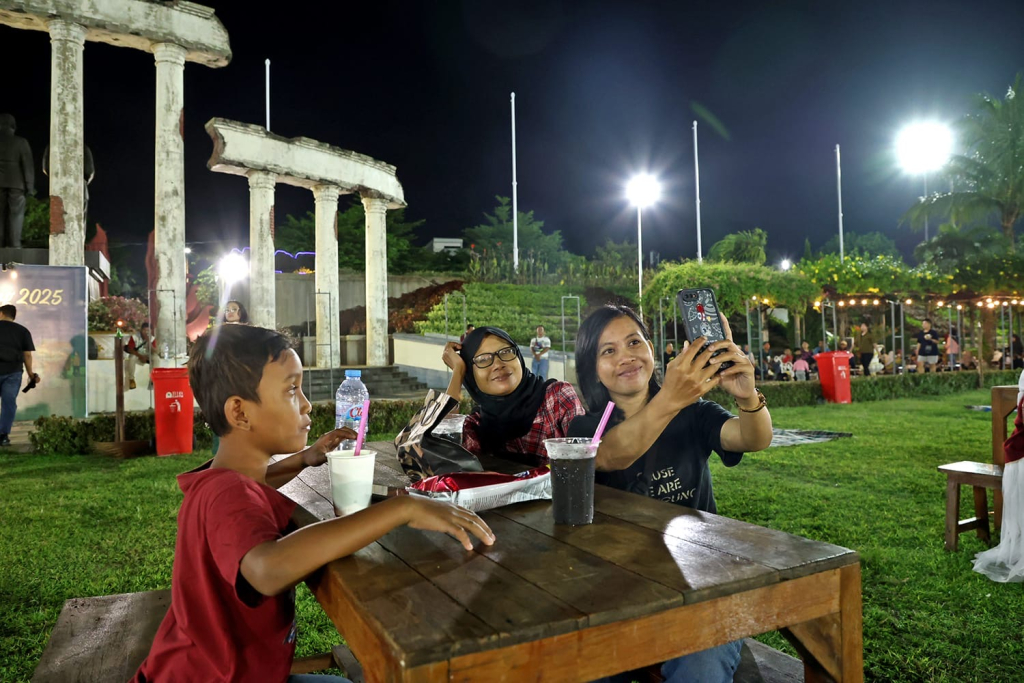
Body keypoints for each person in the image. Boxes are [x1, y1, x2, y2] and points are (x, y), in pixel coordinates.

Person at [132, 324, 494, 683]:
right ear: (240, 413)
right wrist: (400, 509)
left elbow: (255, 485)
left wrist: (304, 459)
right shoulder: (226, 494)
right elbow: (267, 569)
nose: (306, 404)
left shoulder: (224, 479)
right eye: (292, 390)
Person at [567, 305, 772, 683]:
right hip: (617, 586)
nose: (626, 356)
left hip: (699, 581)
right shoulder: (586, 428)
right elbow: (609, 455)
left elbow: (751, 438)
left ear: (651, 348)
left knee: (701, 666)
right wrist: (672, 398)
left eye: (634, 342)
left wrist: (747, 397)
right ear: (592, 368)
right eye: (608, 350)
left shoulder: (694, 414)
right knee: (581, 664)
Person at [441, 326, 584, 464]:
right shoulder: (476, 425)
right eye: (483, 359)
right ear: (470, 375)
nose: (498, 364)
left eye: (506, 352)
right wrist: (458, 371)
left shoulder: (556, 397)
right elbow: (444, 455)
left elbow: (585, 456)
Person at [0, 305, 38, 447]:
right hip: (13, 372)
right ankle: (3, 436)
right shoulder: (22, 331)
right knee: (9, 403)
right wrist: (31, 374)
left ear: (1, 313)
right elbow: (27, 355)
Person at [0, 113, 34, 248]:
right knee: (16, 215)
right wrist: (30, 187)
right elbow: (28, 166)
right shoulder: (21, 142)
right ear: (13, 126)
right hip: (17, 184)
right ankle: (15, 244)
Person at [124, 322, 151, 390]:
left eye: (148, 331)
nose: (146, 332)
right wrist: (140, 356)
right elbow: (130, 349)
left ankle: (153, 380)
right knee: (132, 357)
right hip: (138, 356)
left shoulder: (152, 338)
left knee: (156, 358)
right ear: (141, 330)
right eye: (144, 330)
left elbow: (155, 350)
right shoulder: (134, 337)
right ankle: (131, 379)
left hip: (147, 356)